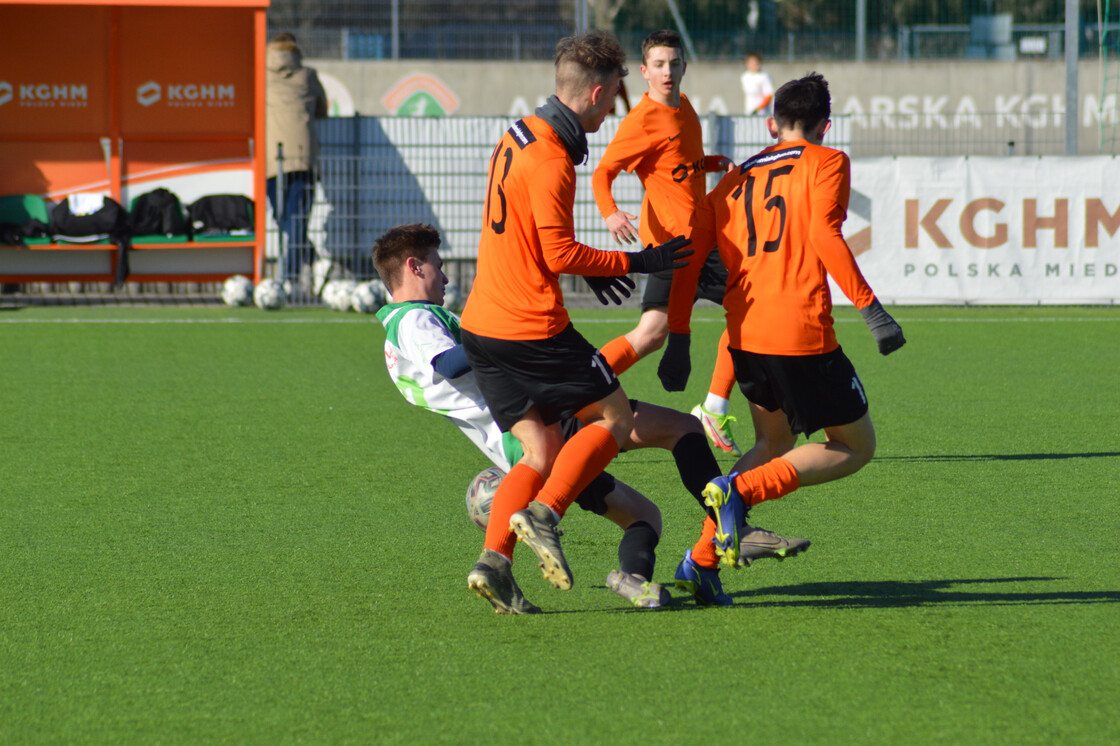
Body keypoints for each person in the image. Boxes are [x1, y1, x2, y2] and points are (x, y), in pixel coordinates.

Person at [375, 223, 806, 611]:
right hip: (546, 423)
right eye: (438, 266)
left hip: (530, 436)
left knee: (644, 516)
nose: (446, 277)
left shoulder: (404, 330)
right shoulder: (412, 320)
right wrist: (499, 332)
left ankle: (626, 578)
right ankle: (731, 527)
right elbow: (450, 365)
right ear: (413, 267)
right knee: (684, 428)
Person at [459, 29, 703, 605]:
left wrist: (596, 267)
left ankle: (494, 561)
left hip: (482, 327)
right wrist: (638, 260)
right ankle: (544, 513)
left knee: (538, 451)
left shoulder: (519, 135)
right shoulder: (552, 159)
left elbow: (531, 235)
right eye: (615, 94)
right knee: (614, 416)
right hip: (529, 327)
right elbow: (559, 254)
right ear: (595, 93)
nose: (614, 109)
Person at [659, 72, 906, 576]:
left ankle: (699, 562)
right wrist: (870, 309)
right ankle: (738, 490)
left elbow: (687, 259)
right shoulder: (828, 160)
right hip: (800, 336)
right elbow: (821, 230)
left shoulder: (733, 178)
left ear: (772, 124)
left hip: (745, 339)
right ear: (826, 125)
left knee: (772, 444)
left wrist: (680, 336)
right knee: (856, 447)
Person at [592, 29, 744, 457]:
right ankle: (581, 390)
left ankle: (578, 392)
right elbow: (602, 173)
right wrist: (611, 213)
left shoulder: (686, 107)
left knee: (656, 332)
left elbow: (683, 164)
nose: (667, 72)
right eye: (658, 65)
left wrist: (714, 164)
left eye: (674, 63)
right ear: (644, 72)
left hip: (700, 240)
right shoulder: (640, 121)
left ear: (683, 67)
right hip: (672, 248)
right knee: (662, 331)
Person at [265, 32, 328, 288]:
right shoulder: (308, 76)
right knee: (298, 216)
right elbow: (322, 110)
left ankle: (292, 275)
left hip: (271, 157)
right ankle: (310, 264)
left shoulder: (260, 75)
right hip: (303, 154)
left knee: (282, 216)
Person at [740, 52, 774, 116]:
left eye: (756, 63)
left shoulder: (764, 76)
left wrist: (757, 109)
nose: (754, 65)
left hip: (762, 114)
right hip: (748, 112)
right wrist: (751, 111)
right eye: (751, 63)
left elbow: (768, 95)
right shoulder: (745, 77)